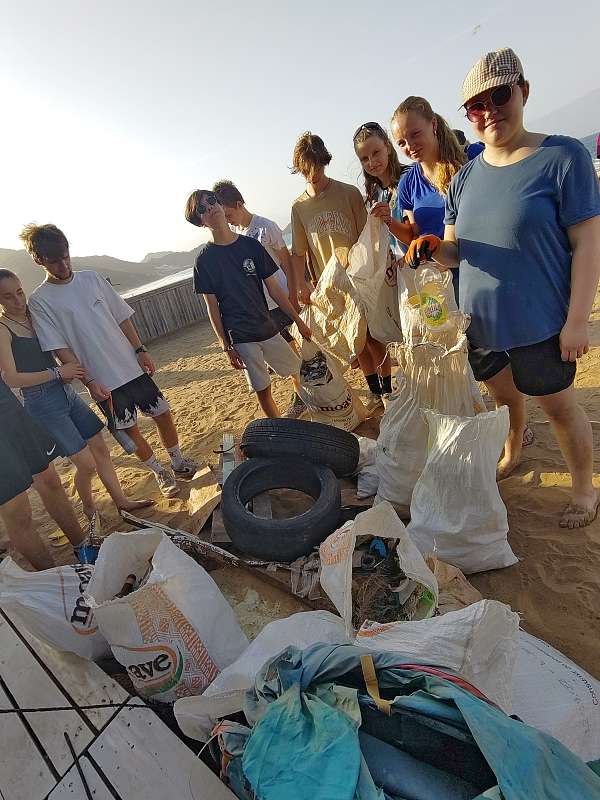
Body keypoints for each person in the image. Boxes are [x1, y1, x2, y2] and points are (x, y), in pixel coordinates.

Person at [406, 47, 600, 528]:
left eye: (499, 96)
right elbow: (457, 253)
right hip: (481, 328)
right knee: (504, 401)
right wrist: (430, 246)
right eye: (476, 106)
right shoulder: (464, 179)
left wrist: (577, 321)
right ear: (468, 118)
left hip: (541, 324)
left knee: (558, 409)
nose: (489, 111)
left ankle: (583, 490)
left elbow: (588, 245)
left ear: (523, 92)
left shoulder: (563, 157)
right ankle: (513, 450)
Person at [23, 224, 197, 498]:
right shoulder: (40, 301)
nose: (63, 264)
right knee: (129, 429)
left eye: (65, 255)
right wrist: (89, 381)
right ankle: (158, 471)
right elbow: (60, 348)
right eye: (54, 260)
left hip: (129, 363)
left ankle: (177, 460)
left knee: (162, 412)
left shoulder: (91, 278)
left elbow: (122, 317)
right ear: (38, 259)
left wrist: (140, 349)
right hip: (100, 378)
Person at [0, 269, 153, 524]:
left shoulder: (34, 314)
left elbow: (63, 340)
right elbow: (12, 379)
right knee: (86, 464)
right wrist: (57, 372)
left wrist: (78, 373)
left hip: (66, 391)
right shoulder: (4, 329)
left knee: (101, 450)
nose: (18, 301)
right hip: (41, 401)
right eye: (7, 297)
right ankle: (90, 508)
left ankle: (121, 502)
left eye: (19, 292)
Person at [185, 189, 312, 418]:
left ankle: (309, 411)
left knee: (297, 370)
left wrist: (298, 320)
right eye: (202, 209)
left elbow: (274, 290)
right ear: (200, 222)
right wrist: (225, 345)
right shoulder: (204, 260)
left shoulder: (251, 246)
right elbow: (212, 307)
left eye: (212, 201)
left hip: (267, 325)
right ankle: (277, 430)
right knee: (263, 389)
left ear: (221, 205)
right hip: (241, 335)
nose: (211, 208)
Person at [290, 131, 390, 405]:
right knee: (355, 342)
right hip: (329, 286)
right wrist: (301, 285)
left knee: (372, 337)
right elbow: (299, 253)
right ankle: (374, 391)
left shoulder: (348, 193)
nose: (313, 176)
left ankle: (389, 389)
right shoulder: (299, 207)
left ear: (324, 162)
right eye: (306, 171)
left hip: (358, 280)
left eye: (317, 168)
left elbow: (365, 239)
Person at [0, 375, 88, 570]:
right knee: (16, 509)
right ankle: (53, 575)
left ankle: (83, 548)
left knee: (49, 480)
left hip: (7, 408)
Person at [352, 121, 411, 398]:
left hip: (422, 275)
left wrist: (389, 220)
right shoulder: (377, 193)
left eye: (376, 153)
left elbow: (417, 234)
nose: (372, 162)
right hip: (400, 281)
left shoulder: (410, 179)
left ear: (388, 147)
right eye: (364, 158)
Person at [391, 96, 467, 301]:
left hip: (473, 273)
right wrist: (387, 221)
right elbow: (414, 235)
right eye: (402, 143)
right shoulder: (407, 183)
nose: (410, 146)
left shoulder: (470, 161)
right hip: (438, 283)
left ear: (433, 124)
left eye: (415, 134)